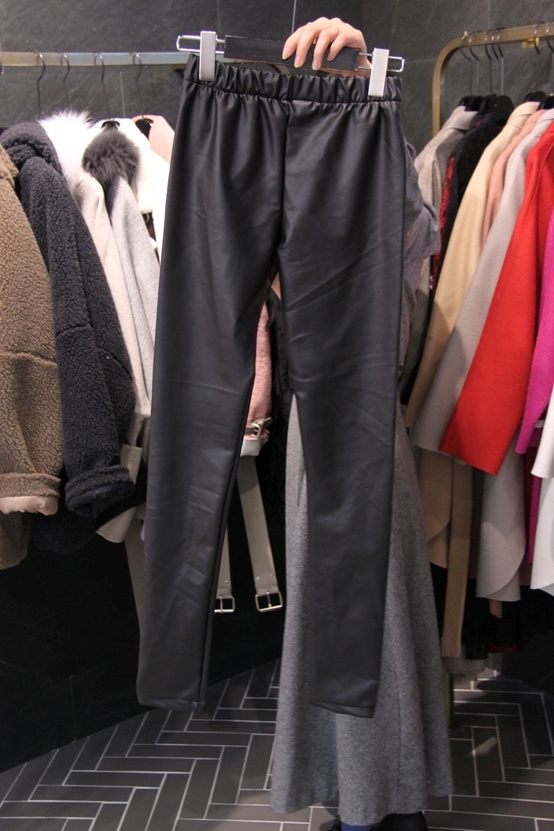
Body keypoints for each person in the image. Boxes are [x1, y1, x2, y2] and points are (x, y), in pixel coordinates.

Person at [269, 18, 454, 831]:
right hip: (326, 422)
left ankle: (378, 801)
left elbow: (407, 242)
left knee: (374, 609)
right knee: (348, 609)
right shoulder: (275, 164)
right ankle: (368, 797)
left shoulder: (380, 165)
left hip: (365, 420)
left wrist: (370, 87)